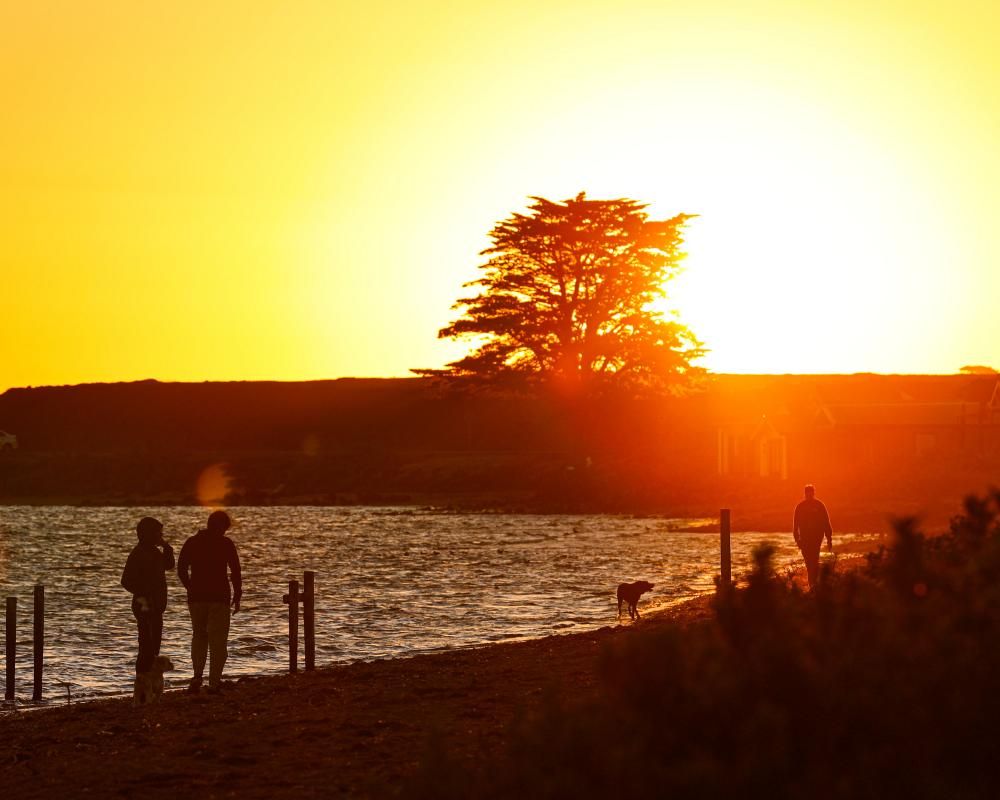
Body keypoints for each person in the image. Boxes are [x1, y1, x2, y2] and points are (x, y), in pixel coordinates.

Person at [177, 510, 242, 693]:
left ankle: (197, 676)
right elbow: (235, 570)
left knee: (199, 636)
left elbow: (181, 568)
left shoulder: (192, 542)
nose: (225, 532)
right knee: (218, 641)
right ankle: (214, 681)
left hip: (196, 598)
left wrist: (190, 587)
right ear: (221, 527)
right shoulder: (225, 544)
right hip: (219, 597)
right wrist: (237, 594)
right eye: (224, 528)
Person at [120, 516, 175, 692]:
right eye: (158, 533)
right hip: (144, 606)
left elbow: (169, 565)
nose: (160, 536)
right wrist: (144, 593)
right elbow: (126, 581)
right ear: (146, 534)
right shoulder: (138, 554)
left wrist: (167, 547)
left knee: (153, 647)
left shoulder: (154, 552)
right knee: (146, 646)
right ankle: (142, 684)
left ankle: (151, 683)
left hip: (156, 606)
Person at [793, 484, 833, 589]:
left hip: (816, 539)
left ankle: (813, 585)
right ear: (805, 494)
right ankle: (813, 584)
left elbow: (826, 522)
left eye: (811, 493)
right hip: (804, 540)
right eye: (807, 493)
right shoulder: (800, 507)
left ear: (814, 493)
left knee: (814, 560)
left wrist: (829, 539)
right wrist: (797, 540)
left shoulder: (819, 505)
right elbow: (795, 525)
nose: (809, 495)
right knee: (808, 562)